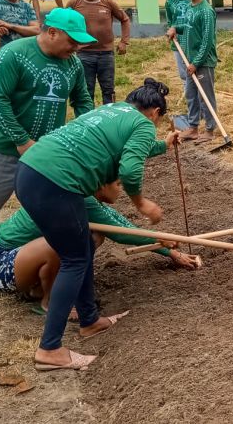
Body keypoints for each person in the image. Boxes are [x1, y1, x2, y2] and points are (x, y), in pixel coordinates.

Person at [16, 78, 180, 371]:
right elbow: (129, 168)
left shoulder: (112, 109)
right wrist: (142, 203)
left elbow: (129, 147)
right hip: (56, 182)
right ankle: (49, 350)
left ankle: (90, 321)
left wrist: (163, 146)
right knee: (75, 258)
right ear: (155, 112)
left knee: (83, 249)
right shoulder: (143, 124)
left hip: (32, 170)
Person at [0, 8, 95, 269]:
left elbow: (82, 100)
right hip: (5, 145)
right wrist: (21, 141)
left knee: (50, 200)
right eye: (72, 41)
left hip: (47, 148)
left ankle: (43, 245)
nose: (76, 47)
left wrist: (88, 131)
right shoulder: (13, 55)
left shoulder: (72, 64)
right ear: (52, 32)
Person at [0, 179, 200, 315]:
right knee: (57, 245)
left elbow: (120, 224)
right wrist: (165, 245)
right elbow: (121, 234)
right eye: (117, 184)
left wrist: (167, 249)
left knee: (92, 236)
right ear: (102, 185)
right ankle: (52, 303)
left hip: (20, 259)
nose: (120, 188)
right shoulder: (81, 199)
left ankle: (39, 287)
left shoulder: (85, 195)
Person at [67, 0, 131, 105]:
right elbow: (64, 23)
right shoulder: (73, 4)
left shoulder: (107, 3)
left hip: (106, 54)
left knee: (108, 89)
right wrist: (68, 45)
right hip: (84, 53)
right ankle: (87, 119)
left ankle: (108, 118)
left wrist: (124, 41)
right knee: (86, 89)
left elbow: (125, 19)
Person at [174, 0, 218, 143]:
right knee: (191, 94)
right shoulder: (190, 7)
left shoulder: (206, 11)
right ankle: (193, 127)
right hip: (190, 61)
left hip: (202, 62)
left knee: (205, 96)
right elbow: (188, 27)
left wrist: (196, 62)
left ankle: (209, 129)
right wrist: (175, 29)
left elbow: (207, 41)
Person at [163, 0, 196, 120]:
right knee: (184, 76)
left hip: (192, 41)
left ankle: (200, 106)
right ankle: (192, 107)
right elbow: (170, 21)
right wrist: (171, 30)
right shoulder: (170, 2)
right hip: (178, 43)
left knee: (196, 73)